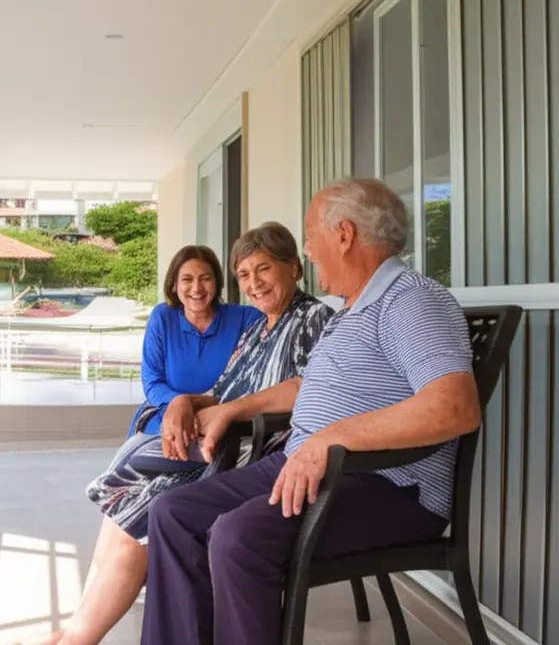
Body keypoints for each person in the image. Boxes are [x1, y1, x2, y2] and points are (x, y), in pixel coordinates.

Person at [140, 178, 483, 645]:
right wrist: (232, 407)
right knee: (172, 513)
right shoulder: (348, 309)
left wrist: (328, 439)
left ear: (343, 234)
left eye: (310, 234)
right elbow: (305, 387)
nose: (306, 248)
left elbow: (455, 407)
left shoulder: (410, 299)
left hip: (389, 484)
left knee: (238, 538)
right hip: (309, 464)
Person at [34, 225, 333, 645]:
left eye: (263, 269)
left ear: (296, 268)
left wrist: (224, 410)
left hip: (249, 452)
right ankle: (79, 631)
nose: (254, 283)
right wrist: (184, 403)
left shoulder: (313, 318)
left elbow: (309, 388)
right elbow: (219, 389)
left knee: (140, 502)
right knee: (131, 503)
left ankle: (79, 636)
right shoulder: (257, 328)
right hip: (218, 441)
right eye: (245, 274)